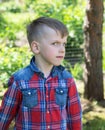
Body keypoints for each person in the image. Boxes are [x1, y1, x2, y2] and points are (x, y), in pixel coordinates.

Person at [0, 17, 82, 130]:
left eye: (64, 44)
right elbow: (4, 117)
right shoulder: (19, 80)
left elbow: (75, 118)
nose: (62, 49)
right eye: (55, 43)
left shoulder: (67, 80)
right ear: (36, 47)